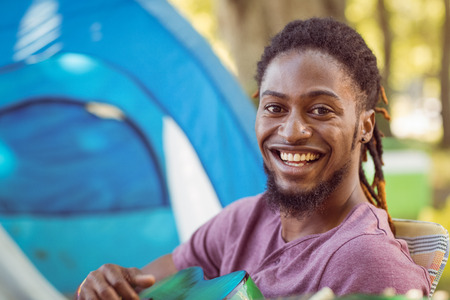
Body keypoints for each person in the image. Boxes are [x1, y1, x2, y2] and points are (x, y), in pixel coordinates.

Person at [77, 18, 431, 300]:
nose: (292, 132)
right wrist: (109, 285)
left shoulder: (370, 267)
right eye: (275, 107)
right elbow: (147, 285)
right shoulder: (242, 222)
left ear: (366, 124)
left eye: (321, 110)